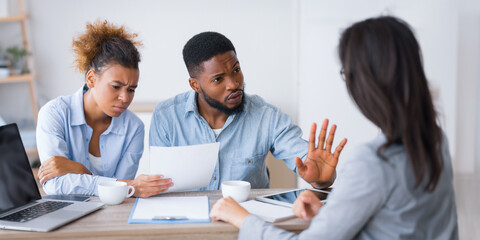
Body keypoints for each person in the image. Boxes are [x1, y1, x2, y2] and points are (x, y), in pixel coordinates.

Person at [210, 16, 459, 239]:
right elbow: (397, 219)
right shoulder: (435, 139)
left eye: (345, 73)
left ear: (364, 82)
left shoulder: (374, 160)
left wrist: (242, 218)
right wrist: (332, 210)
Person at [149, 32, 347, 191]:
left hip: (247, 222)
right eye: (218, 79)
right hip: (188, 223)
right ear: (195, 85)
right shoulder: (166, 117)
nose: (234, 84)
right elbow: (160, 185)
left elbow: (308, 162)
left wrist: (322, 179)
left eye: (236, 70)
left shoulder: (266, 116)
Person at [36, 20, 173, 197]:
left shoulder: (133, 128)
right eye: (116, 86)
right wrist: (121, 185)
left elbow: (121, 191)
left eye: (131, 90)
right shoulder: (54, 114)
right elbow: (54, 185)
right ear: (91, 79)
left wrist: (78, 169)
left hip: (111, 214)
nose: (125, 98)